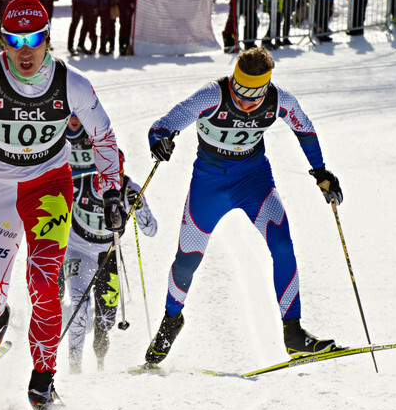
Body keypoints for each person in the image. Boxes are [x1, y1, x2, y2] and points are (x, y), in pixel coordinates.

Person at [0, 0, 122, 410]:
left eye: (34, 39)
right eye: (14, 41)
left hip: (49, 187)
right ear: (2, 42)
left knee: (43, 283)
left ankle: (42, 380)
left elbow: (104, 138)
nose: (25, 50)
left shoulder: (72, 84)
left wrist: (110, 192)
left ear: (48, 39)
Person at [143, 47, 342, 368]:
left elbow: (304, 128)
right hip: (209, 183)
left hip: (254, 179)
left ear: (267, 86)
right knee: (186, 262)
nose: (246, 99)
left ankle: (293, 333)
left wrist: (320, 171)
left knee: (282, 245)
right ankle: (171, 320)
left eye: (254, 92)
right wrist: (160, 139)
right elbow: (164, 124)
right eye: (239, 89)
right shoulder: (212, 94)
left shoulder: (280, 101)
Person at [64, 154, 157, 372]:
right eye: (107, 176)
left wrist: (139, 205)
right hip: (78, 250)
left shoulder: (129, 189)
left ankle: (100, 363)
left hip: (108, 255)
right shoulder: (80, 185)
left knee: (106, 317)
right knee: (79, 306)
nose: (112, 184)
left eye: (118, 176)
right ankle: (74, 367)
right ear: (98, 171)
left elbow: (151, 230)